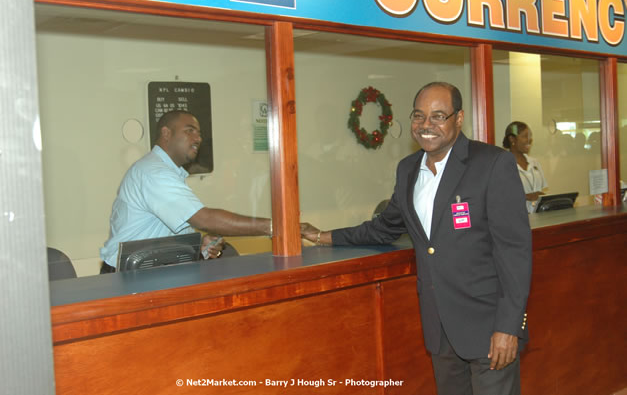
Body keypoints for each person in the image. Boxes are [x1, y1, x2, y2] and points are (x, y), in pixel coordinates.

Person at [302, 82, 532, 395]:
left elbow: (514, 252)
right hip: (440, 327)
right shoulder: (408, 170)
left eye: (438, 116)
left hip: (488, 324)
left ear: (459, 118)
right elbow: (384, 227)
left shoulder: (491, 164)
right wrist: (320, 236)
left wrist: (508, 327)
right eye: (419, 116)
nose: (426, 125)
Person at [100, 110, 282, 273]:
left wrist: (200, 245)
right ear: (166, 133)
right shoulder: (153, 173)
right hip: (127, 278)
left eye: (199, 133)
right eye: (190, 131)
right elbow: (205, 219)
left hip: (152, 274)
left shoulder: (169, 173)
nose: (198, 138)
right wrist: (278, 227)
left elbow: (168, 230)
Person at [503, 121, 548, 213]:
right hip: (515, 217)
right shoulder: (503, 164)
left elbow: (541, 191)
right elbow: (499, 195)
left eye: (530, 136)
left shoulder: (535, 163)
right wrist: (527, 196)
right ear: (512, 139)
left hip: (539, 217)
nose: (529, 140)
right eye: (525, 136)